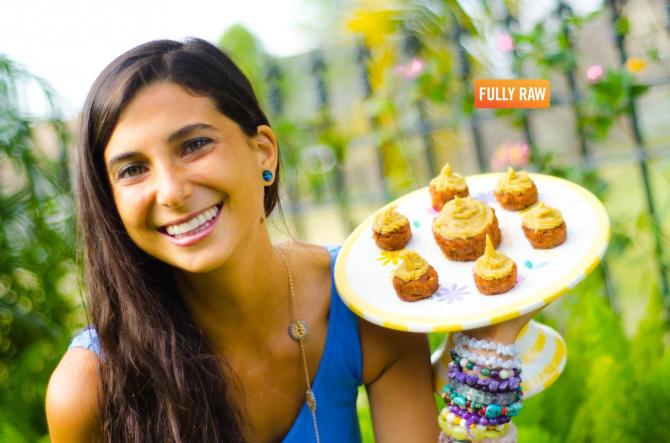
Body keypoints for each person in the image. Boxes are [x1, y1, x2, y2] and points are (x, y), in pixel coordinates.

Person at [45, 38, 534, 443]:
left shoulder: (367, 305)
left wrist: (485, 356)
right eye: (133, 170)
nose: (171, 192)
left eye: (193, 145)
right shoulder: (88, 390)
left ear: (264, 152)